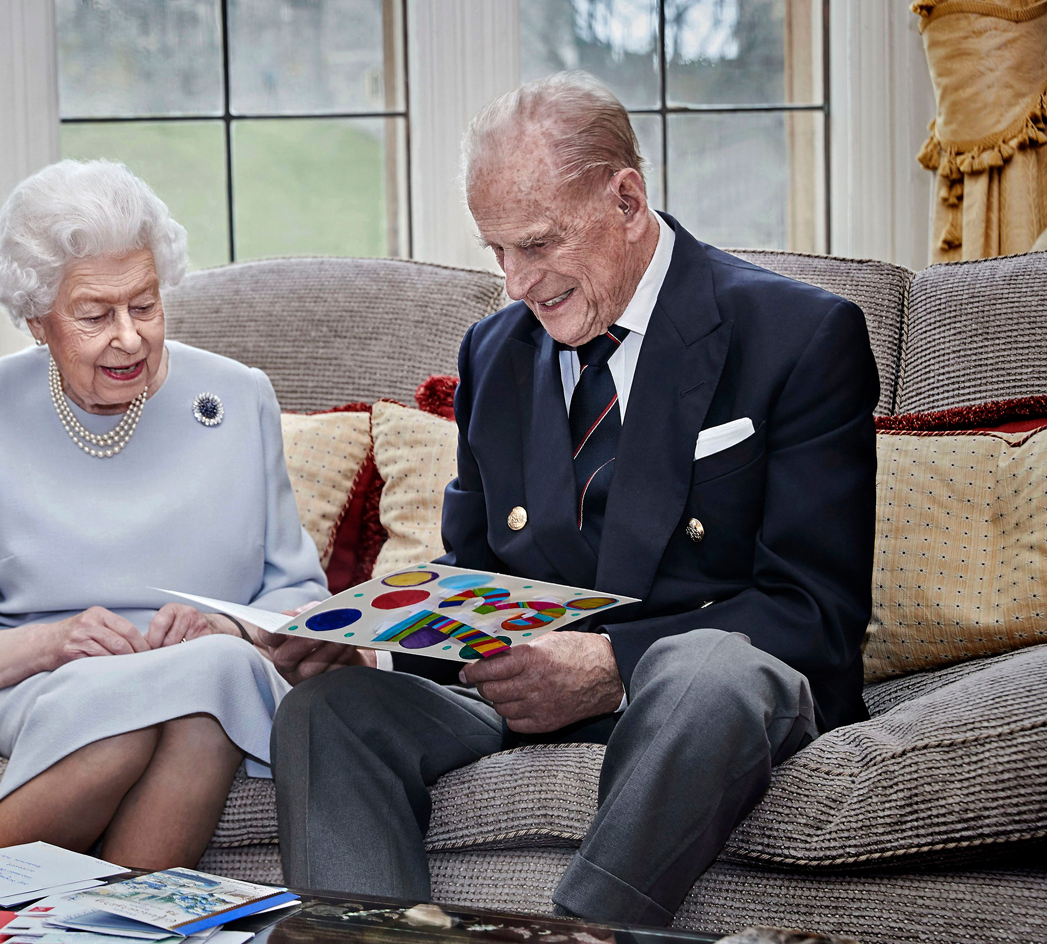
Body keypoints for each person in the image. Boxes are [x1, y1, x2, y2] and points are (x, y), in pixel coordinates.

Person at [266, 71, 878, 926]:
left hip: (699, 705)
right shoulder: (495, 351)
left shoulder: (799, 336)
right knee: (328, 712)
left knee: (708, 671)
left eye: (540, 243)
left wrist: (611, 668)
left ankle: (577, 933)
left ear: (626, 199)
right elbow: (475, 573)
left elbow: (816, 612)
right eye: (498, 251)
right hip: (522, 700)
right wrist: (375, 644)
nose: (517, 282)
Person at [0, 159, 329, 867]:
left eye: (146, 305)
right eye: (94, 315)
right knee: (150, 714)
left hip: (208, 666)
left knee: (207, 683)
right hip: (42, 677)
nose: (129, 337)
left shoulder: (238, 395)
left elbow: (300, 597)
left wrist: (223, 624)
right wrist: (53, 643)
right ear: (38, 321)